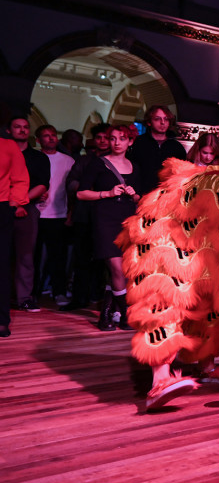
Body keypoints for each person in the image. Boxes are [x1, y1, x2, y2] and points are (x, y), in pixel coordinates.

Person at [75, 124, 142, 331]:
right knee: (116, 267)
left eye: (122, 138)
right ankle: (124, 315)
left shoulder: (134, 166)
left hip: (128, 219)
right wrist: (108, 193)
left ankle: (106, 315)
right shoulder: (98, 164)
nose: (116, 142)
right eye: (113, 138)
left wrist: (134, 195)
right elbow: (80, 193)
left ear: (130, 141)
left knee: (124, 271)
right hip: (104, 218)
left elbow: (140, 199)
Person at [62, 124, 111, 311]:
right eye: (99, 137)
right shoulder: (84, 161)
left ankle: (99, 298)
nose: (102, 141)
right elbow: (71, 182)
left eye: (106, 137)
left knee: (104, 260)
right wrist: (88, 189)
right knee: (81, 258)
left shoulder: (117, 162)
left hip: (106, 215)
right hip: (84, 214)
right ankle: (78, 299)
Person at [8, 116, 50, 312]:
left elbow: (42, 184)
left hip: (27, 208)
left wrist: (19, 202)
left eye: (26, 127)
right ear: (9, 130)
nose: (22, 130)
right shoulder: (3, 154)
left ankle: (24, 297)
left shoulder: (39, 157)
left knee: (25, 255)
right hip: (3, 206)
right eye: (17, 127)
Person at [33, 125, 75, 305]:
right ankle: (32, 293)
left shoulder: (68, 160)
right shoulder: (33, 158)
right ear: (38, 140)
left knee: (58, 257)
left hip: (58, 214)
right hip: (34, 213)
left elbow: (72, 190)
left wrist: (71, 213)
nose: (50, 138)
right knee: (33, 257)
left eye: (53, 135)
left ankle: (59, 292)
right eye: (46, 136)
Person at [0, 133, 30, 337]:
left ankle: (1, 320)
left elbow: (20, 178)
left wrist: (13, 204)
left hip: (1, 208)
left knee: (1, 265)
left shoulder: (8, 145)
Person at [129, 106, 186, 194]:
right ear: (149, 122)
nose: (163, 122)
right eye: (157, 119)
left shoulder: (177, 146)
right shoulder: (138, 143)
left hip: (168, 195)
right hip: (141, 194)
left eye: (166, 119)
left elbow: (182, 174)